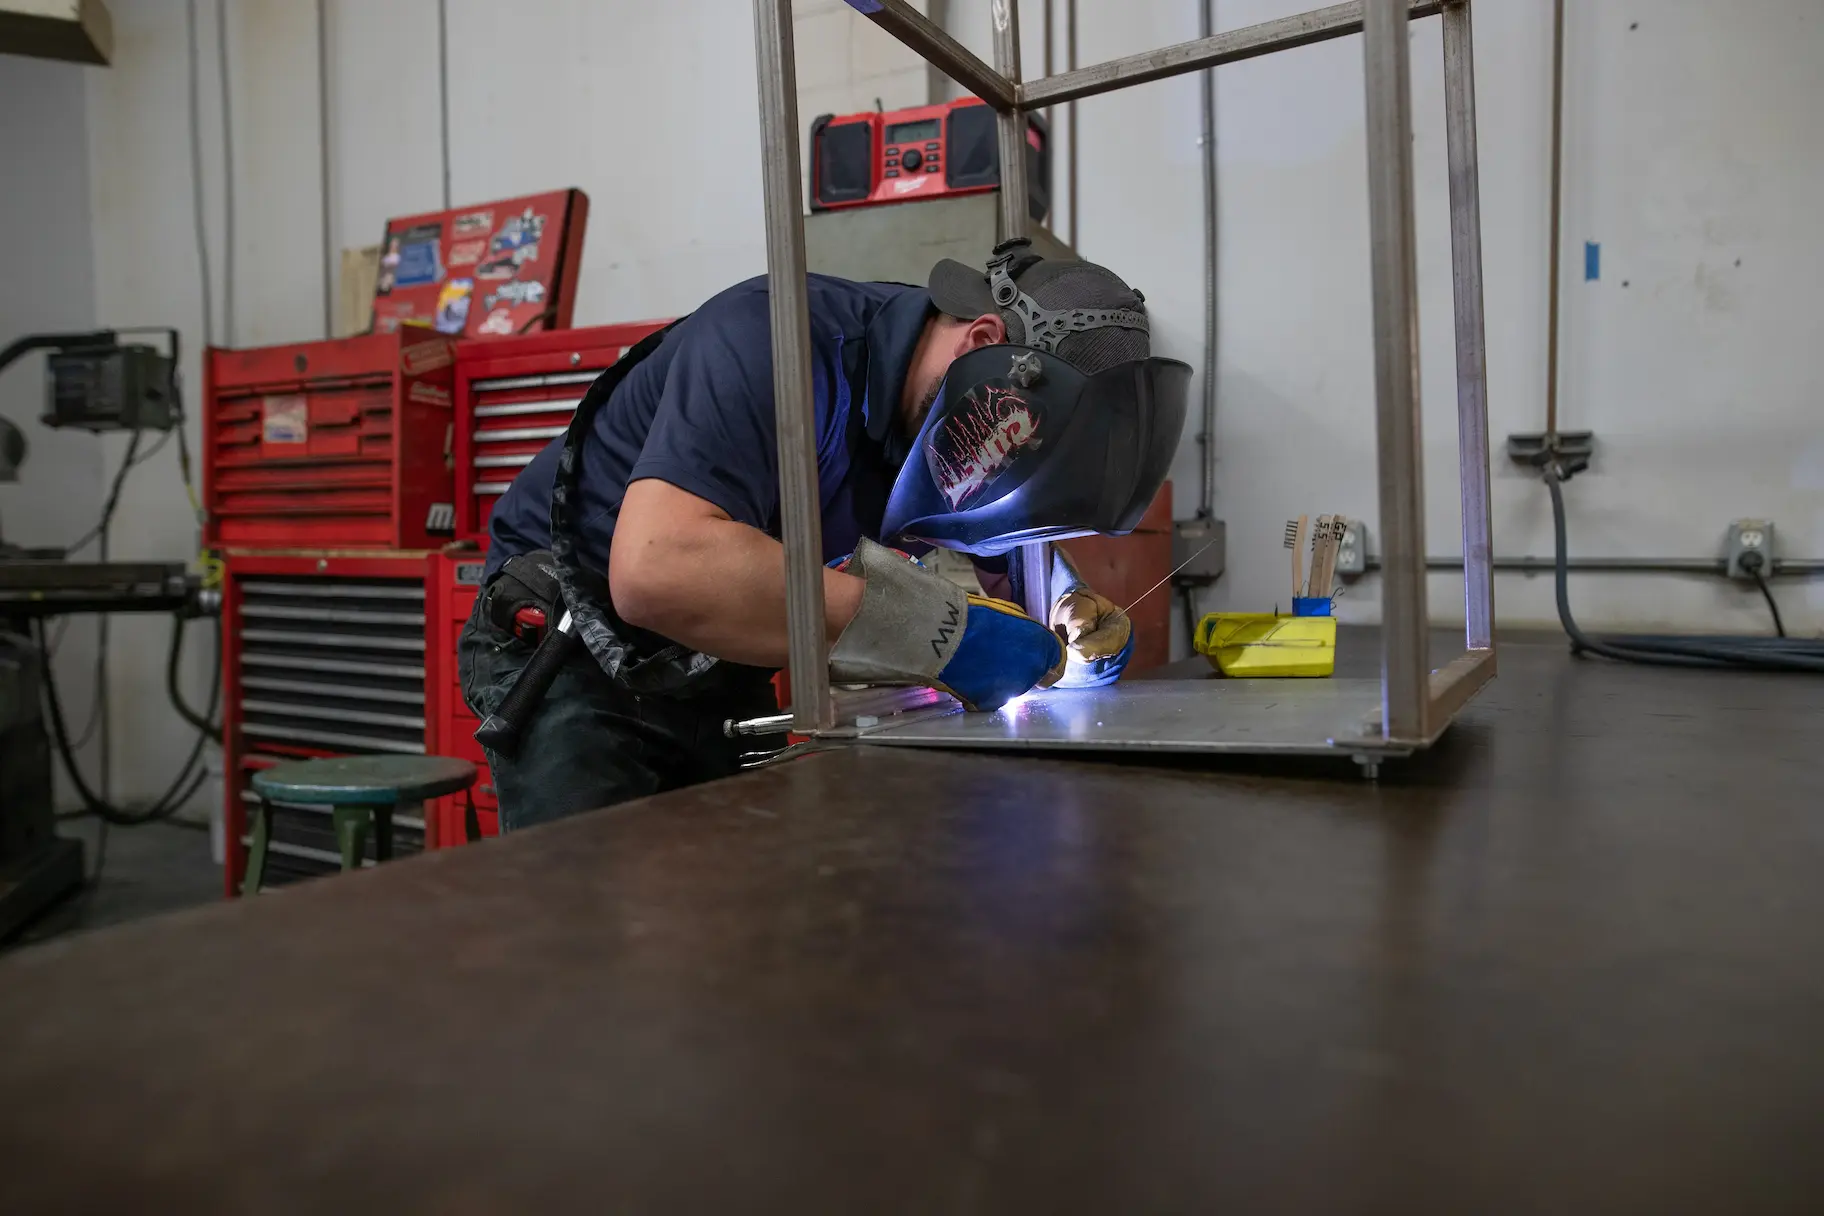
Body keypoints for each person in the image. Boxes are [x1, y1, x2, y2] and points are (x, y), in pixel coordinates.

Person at [460, 239, 1188, 831]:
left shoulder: (945, 419)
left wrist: (1067, 606)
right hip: (570, 643)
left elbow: (1000, 548)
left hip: (709, 650)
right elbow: (660, 570)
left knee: (720, 920)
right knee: (595, 932)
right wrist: (937, 631)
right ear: (986, 345)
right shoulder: (779, 341)